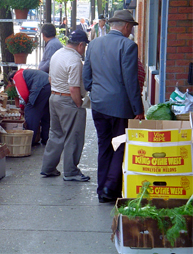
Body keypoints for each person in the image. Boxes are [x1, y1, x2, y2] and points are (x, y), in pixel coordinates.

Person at [82, 10, 144, 203]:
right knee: (119, 146)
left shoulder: (93, 44)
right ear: (126, 26)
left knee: (104, 146)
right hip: (119, 107)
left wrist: (96, 91)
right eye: (131, 27)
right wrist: (138, 110)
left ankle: (102, 190)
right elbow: (131, 82)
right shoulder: (128, 45)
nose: (131, 30)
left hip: (99, 105)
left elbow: (86, 75)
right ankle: (110, 188)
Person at [40, 30, 91, 181]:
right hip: (68, 100)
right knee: (73, 136)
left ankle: (48, 168)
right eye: (85, 46)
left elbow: (50, 78)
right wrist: (79, 104)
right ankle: (71, 171)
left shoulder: (57, 54)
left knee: (55, 134)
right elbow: (73, 88)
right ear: (80, 45)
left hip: (54, 97)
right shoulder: (74, 60)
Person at [8, 69, 51, 146]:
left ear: (11, 79)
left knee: (30, 111)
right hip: (49, 85)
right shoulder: (26, 72)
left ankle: (29, 141)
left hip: (40, 87)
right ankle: (46, 138)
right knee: (45, 113)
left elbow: (24, 95)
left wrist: (22, 108)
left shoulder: (17, 76)